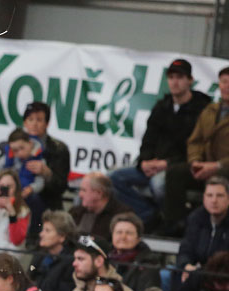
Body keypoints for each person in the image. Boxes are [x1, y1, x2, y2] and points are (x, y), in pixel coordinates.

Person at [110, 59, 210, 224]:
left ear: (190, 80)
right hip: (154, 165)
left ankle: (171, 222)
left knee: (159, 184)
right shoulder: (161, 107)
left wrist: (167, 163)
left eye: (179, 77)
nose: (174, 82)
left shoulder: (202, 110)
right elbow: (148, 139)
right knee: (113, 178)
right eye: (171, 77)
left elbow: (197, 147)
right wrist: (144, 162)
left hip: (179, 167)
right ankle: (149, 213)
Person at [162, 67, 229, 235]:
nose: (227, 86)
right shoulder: (210, 110)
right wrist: (195, 162)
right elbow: (194, 141)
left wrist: (217, 166)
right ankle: (176, 226)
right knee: (175, 173)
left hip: (225, 169)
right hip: (204, 167)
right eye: (224, 82)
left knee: (218, 182)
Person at [173, 176, 229, 291]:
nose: (214, 200)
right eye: (210, 195)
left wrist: (199, 270)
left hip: (222, 275)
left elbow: (224, 259)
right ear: (204, 198)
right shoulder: (196, 218)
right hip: (198, 273)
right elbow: (186, 247)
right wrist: (187, 265)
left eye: (219, 195)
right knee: (172, 274)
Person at [28, 210, 76, 291]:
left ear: (62, 237)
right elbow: (28, 279)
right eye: (43, 230)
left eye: (47, 231)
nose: (41, 234)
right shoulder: (40, 255)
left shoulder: (72, 262)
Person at [20, 101, 70, 214]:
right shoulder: (15, 143)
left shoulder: (59, 149)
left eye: (39, 120)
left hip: (45, 200)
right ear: (25, 123)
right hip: (15, 193)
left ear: (47, 124)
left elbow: (61, 187)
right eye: (30, 119)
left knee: (33, 201)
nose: (34, 124)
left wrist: (47, 173)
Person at [108, 211, 161, 291]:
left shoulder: (148, 264)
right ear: (112, 235)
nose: (123, 237)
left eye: (129, 233)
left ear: (138, 238)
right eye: (119, 232)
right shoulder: (103, 258)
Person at [69, 172, 131, 240]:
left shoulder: (122, 215)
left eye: (84, 190)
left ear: (99, 193)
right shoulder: (76, 211)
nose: (80, 195)